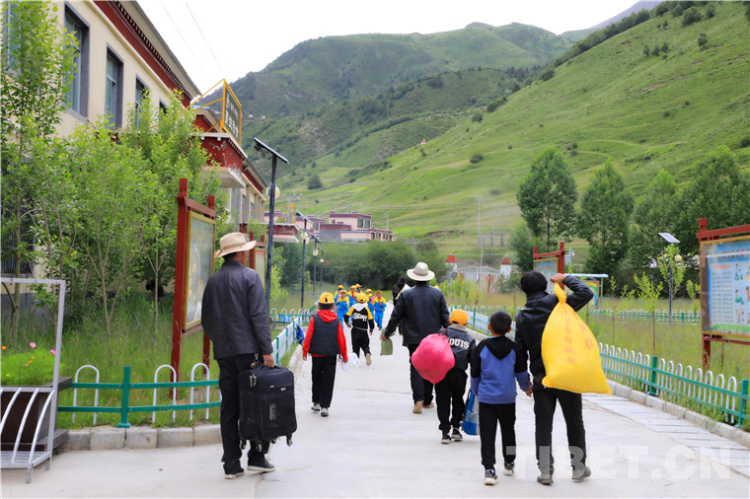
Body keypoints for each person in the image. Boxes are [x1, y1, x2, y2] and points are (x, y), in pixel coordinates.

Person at [201, 232, 275, 479]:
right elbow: (258, 316)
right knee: (255, 404)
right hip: (248, 353)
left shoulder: (213, 281)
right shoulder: (249, 277)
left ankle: (231, 464)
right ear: (241, 253)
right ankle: (257, 456)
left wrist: (222, 342)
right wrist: (266, 351)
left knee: (229, 407)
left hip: (224, 353)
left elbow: (207, 319)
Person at [515, 271, 594, 486]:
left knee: (543, 425)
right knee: (574, 421)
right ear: (544, 286)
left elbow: (520, 352)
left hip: (542, 378)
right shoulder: (559, 303)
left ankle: (545, 471)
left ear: (524, 290)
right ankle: (578, 468)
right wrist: (566, 279)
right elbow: (586, 293)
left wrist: (525, 381)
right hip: (567, 374)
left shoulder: (522, 316)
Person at [470, 311, 531, 486]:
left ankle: (489, 469)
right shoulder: (515, 349)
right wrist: (527, 388)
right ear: (510, 329)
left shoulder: (482, 347)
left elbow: (474, 374)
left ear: (489, 327)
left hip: (487, 399)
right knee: (508, 429)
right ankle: (509, 462)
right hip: (507, 399)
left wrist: (476, 392)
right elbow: (521, 373)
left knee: (487, 434)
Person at [382, 262, 450, 413]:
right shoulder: (438, 294)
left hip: (413, 338)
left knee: (416, 367)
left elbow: (396, 316)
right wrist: (451, 334)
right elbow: (445, 318)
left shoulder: (406, 295)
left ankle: (418, 400)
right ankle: (427, 400)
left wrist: (387, 332)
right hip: (433, 338)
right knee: (430, 367)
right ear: (428, 278)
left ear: (414, 279)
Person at [302, 292, 348, 417]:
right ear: (333, 306)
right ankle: (325, 407)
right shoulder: (337, 321)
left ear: (319, 306)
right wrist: (344, 356)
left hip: (316, 354)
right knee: (328, 379)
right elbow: (341, 339)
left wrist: (305, 351)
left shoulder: (314, 319)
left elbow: (308, 336)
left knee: (316, 377)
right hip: (330, 355)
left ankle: (316, 402)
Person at [436, 309, 476, 444]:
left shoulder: (442, 333)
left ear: (449, 321)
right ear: (465, 323)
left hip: (441, 372)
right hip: (459, 374)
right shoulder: (469, 338)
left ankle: (445, 432)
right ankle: (456, 429)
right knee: (458, 399)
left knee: (443, 400)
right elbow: (473, 359)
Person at [345, 292, 375, 366]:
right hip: (363, 331)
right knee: (365, 345)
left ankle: (356, 360)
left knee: (355, 346)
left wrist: (347, 323)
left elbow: (346, 316)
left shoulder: (353, 307)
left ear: (356, 300)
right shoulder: (366, 309)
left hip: (355, 330)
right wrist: (371, 329)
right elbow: (370, 320)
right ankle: (367, 353)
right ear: (365, 300)